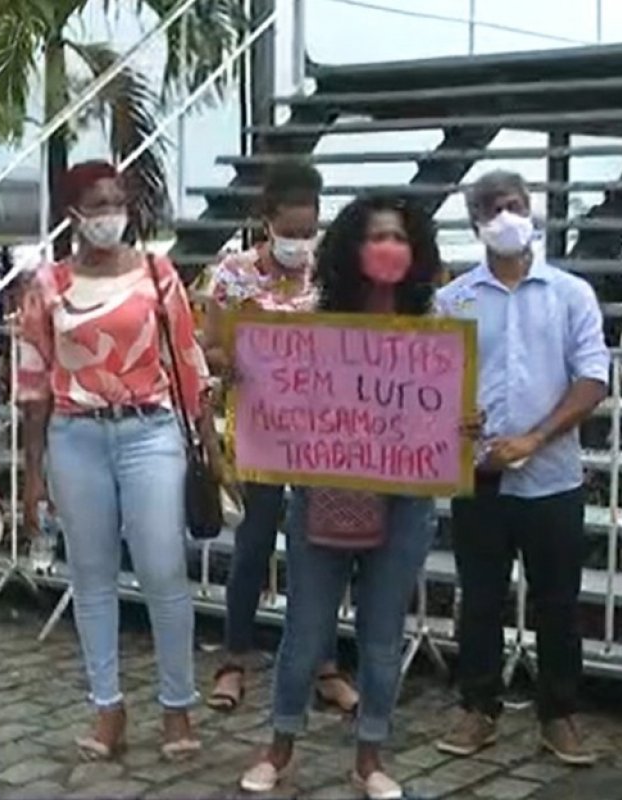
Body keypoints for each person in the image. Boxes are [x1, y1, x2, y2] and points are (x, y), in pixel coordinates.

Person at [239, 195, 444, 799]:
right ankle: (279, 747)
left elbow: (446, 409)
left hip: (405, 499)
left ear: (418, 252)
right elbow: (280, 398)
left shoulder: (434, 326)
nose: (390, 249)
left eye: (401, 239)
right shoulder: (311, 320)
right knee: (305, 632)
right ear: (354, 249)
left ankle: (370, 757)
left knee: (382, 638)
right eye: (378, 237)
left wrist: (462, 427)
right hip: (324, 493)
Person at [18, 160, 210, 761]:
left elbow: (187, 361)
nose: (110, 216)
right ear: (73, 214)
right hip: (76, 436)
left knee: (162, 571)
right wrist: (31, 473)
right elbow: (33, 382)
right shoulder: (47, 284)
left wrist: (207, 441)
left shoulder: (158, 274)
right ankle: (107, 706)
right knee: (92, 577)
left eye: (117, 203)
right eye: (97, 205)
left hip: (150, 430)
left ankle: (177, 706)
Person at [434, 170, 607, 766]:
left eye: (513, 204)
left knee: (558, 600)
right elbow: (431, 385)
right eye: (490, 208)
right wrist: (455, 420)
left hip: (552, 476)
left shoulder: (570, 294)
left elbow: (592, 380)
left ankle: (558, 714)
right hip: (479, 477)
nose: (504, 215)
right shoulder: (452, 300)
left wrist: (536, 437)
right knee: (479, 596)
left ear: (531, 209)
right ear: (475, 222)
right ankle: (477, 705)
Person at [203, 161, 358, 715]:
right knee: (254, 546)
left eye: (307, 230)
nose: (299, 241)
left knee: (320, 549)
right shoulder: (233, 275)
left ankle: (323, 663)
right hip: (260, 430)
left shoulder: (332, 274)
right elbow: (213, 348)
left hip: (321, 433)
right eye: (289, 231)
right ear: (266, 222)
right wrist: (242, 364)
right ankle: (233, 659)